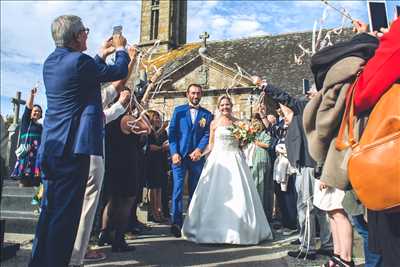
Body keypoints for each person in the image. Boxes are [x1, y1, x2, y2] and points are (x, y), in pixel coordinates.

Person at [29, 15, 129, 267]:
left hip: (52, 146)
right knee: (66, 217)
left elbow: (83, 72)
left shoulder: (51, 62)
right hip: (73, 148)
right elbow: (118, 71)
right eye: (85, 30)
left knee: (50, 212)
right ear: (76, 36)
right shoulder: (80, 63)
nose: (87, 34)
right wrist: (120, 48)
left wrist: (99, 56)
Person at [69, 45, 137, 266]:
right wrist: (125, 54)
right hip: (89, 156)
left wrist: (119, 104)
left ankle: (77, 247)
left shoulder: (74, 97)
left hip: (69, 155)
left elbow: (108, 112)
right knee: (87, 206)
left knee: (77, 207)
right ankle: (78, 252)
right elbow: (118, 83)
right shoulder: (91, 97)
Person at [252, 76, 333, 260]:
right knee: (320, 207)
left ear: (317, 93)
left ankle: (308, 248)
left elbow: (286, 98)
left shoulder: (308, 107)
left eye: (310, 91)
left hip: (308, 163)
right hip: (315, 162)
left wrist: (263, 85)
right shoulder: (325, 108)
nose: (307, 93)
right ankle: (327, 244)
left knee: (306, 206)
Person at [181, 95, 273, 244]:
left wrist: (244, 139)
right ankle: (211, 230)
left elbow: (243, 144)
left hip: (235, 159)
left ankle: (242, 230)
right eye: (222, 105)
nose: (225, 107)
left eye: (227, 104)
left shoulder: (239, 123)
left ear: (231, 105)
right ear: (219, 107)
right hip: (217, 161)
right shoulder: (214, 123)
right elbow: (211, 145)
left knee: (239, 194)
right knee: (214, 193)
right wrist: (200, 153)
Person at [168, 83, 213, 237]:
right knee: (178, 189)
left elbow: (207, 134)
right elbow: (172, 134)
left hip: (196, 158)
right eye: (193, 93)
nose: (195, 96)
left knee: (195, 190)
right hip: (179, 157)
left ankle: (192, 223)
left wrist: (199, 150)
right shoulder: (178, 111)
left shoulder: (207, 114)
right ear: (187, 94)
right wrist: (174, 153)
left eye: (198, 93)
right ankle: (176, 222)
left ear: (201, 95)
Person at [11, 87, 42, 187]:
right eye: (35, 111)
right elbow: (28, 107)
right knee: (23, 184)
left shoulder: (41, 127)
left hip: (37, 158)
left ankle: (35, 202)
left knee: (36, 186)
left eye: (39, 111)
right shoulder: (26, 122)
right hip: (26, 157)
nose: (36, 112)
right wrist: (32, 95)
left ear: (41, 115)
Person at [145, 110, 169, 223]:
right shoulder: (149, 131)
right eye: (156, 117)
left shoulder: (163, 132)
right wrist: (160, 148)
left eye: (159, 117)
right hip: (151, 162)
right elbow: (150, 146)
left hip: (160, 161)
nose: (158, 119)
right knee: (153, 188)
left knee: (159, 187)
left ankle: (160, 210)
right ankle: (153, 211)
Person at [250, 114, 273, 221]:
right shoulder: (252, 133)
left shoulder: (265, 133)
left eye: (256, 121)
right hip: (252, 158)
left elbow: (268, 144)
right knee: (255, 183)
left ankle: (264, 213)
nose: (254, 124)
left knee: (262, 184)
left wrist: (255, 142)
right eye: (253, 122)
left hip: (261, 157)